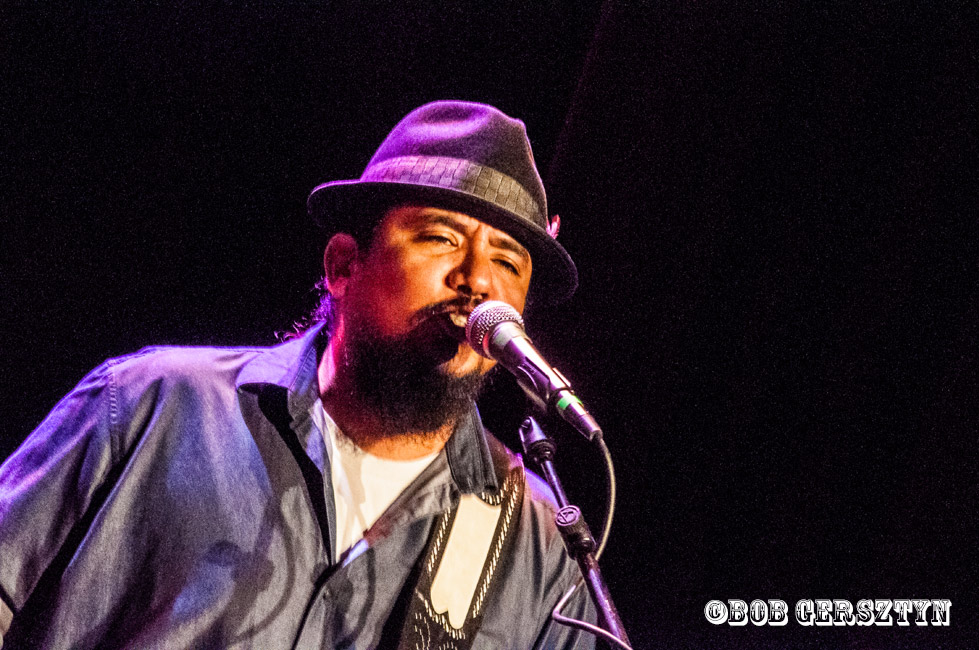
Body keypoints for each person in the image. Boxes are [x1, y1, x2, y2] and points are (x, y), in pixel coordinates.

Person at [0, 101, 596, 648]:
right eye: (440, 237)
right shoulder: (152, 404)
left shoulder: (536, 543)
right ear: (343, 264)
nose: (478, 279)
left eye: (507, 262)